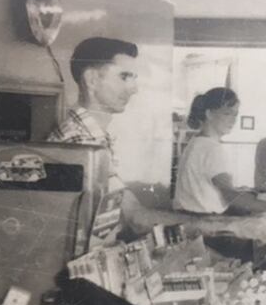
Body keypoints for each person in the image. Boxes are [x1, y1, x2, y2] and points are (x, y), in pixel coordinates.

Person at [47, 37, 184, 236]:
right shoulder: (78, 141)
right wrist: (225, 225)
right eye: (124, 77)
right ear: (92, 80)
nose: (134, 88)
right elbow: (136, 219)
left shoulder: (94, 137)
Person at [173, 87, 266, 216]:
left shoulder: (196, 141)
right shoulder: (212, 148)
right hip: (204, 221)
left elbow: (213, 188)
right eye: (227, 113)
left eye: (235, 114)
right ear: (209, 114)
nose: (233, 120)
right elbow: (231, 196)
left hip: (188, 216)